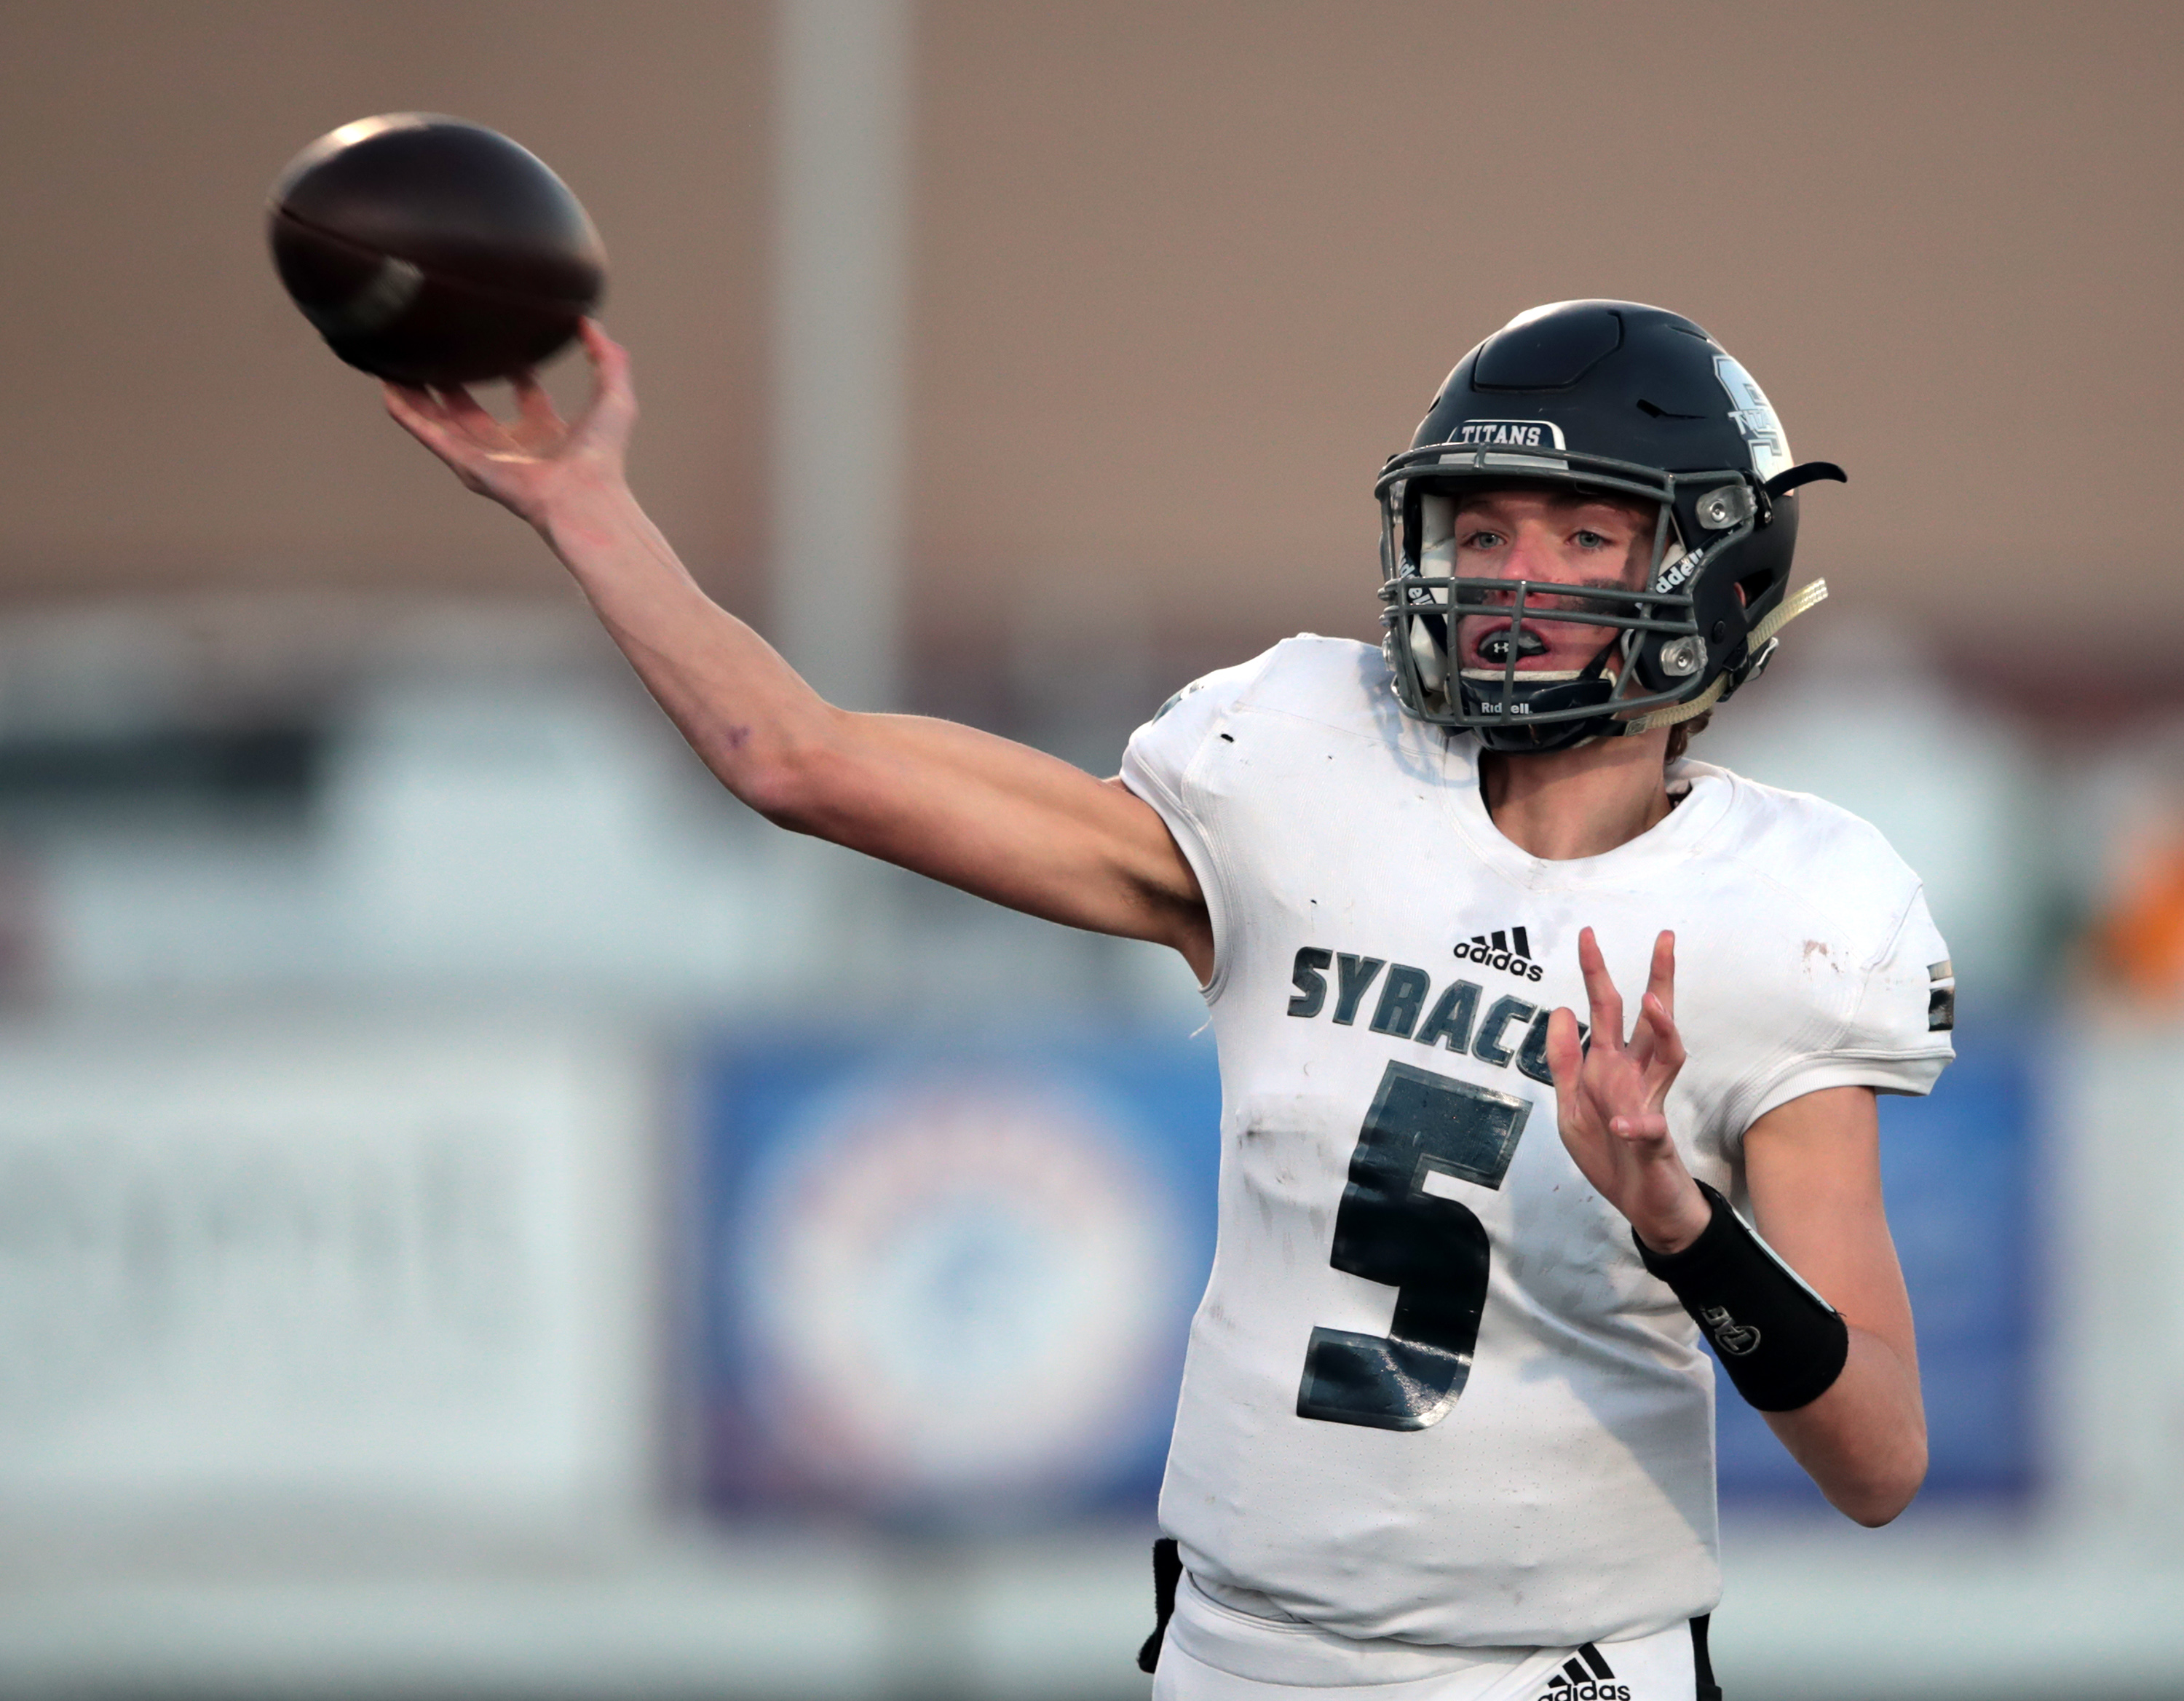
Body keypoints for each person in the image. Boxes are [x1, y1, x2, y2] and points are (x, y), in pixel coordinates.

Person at [385, 298, 1953, 1701]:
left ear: (1709, 563)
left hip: (1551, 1676)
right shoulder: (1302, 763)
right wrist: (583, 505)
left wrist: (1680, 1219)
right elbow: (796, 759)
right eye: (1481, 531)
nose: (1513, 579)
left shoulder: (1791, 908)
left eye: (1578, 533)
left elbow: (1878, 1457)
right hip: (1232, 1652)